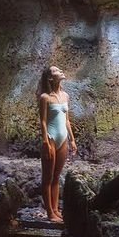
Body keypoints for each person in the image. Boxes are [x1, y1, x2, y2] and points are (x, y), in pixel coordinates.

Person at [38, 65, 77, 223]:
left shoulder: (66, 96)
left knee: (56, 177)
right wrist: (45, 141)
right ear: (50, 78)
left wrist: (72, 139)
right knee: (47, 177)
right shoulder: (45, 97)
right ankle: (49, 213)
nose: (61, 71)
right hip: (51, 138)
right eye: (56, 71)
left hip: (63, 139)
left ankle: (56, 210)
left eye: (61, 69)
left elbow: (67, 120)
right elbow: (43, 121)